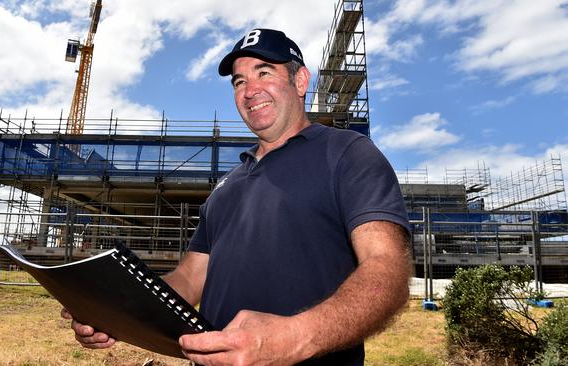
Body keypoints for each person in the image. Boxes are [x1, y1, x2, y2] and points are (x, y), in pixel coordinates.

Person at [62, 28, 412, 365]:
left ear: (301, 81)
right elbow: (188, 280)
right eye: (239, 81)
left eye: (264, 72)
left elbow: (388, 269)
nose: (249, 90)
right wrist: (118, 310)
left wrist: (294, 337)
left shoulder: (347, 154)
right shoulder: (226, 186)